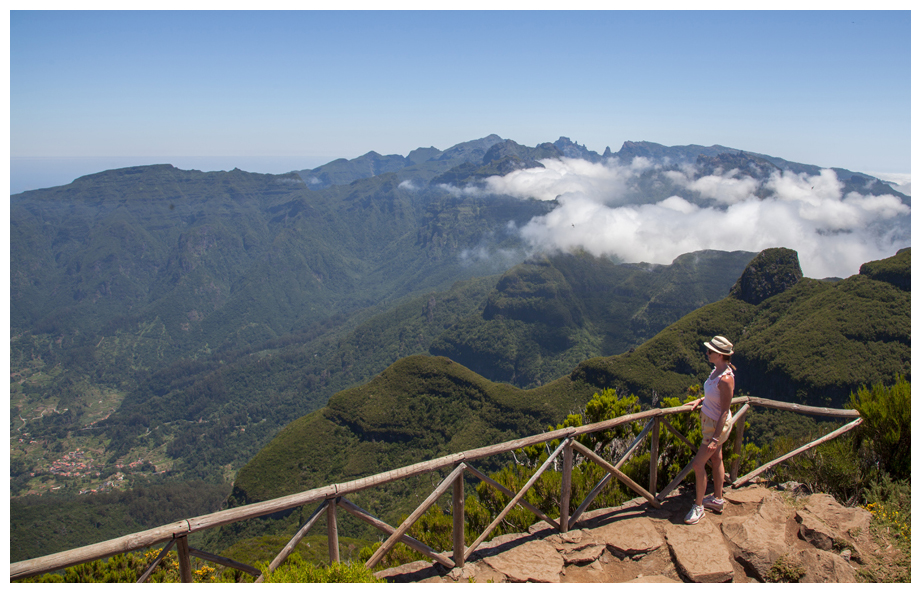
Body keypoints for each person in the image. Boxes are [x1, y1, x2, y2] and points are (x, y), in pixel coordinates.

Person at [684, 335, 736, 525]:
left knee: (698, 464)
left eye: (711, 351)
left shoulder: (726, 379)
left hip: (715, 427)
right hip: (710, 423)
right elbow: (714, 396)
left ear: (721, 355)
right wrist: (700, 400)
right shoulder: (716, 372)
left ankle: (699, 507)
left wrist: (715, 438)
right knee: (717, 458)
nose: (707, 353)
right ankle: (717, 500)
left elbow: (724, 410)